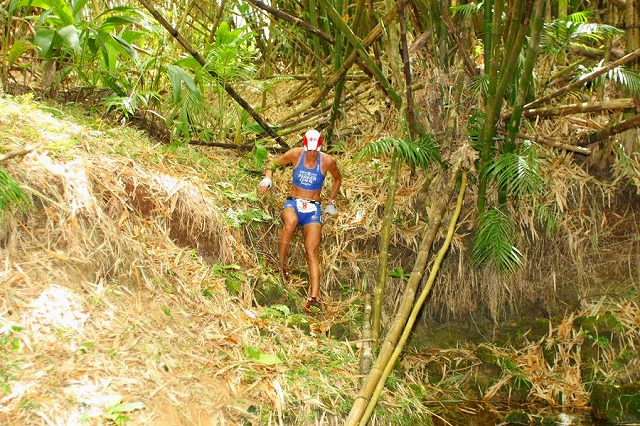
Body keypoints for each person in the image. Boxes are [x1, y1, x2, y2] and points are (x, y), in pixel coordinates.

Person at [258, 129, 342, 313]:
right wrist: (267, 178)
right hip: (293, 203)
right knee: (291, 222)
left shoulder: (327, 161)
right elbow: (272, 163)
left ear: (319, 147)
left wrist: (331, 201)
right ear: (305, 146)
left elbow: (338, 179)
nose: (311, 154)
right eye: (309, 150)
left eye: (314, 150)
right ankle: (280, 266)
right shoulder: (296, 154)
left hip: (313, 208)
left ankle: (314, 297)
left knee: (312, 250)